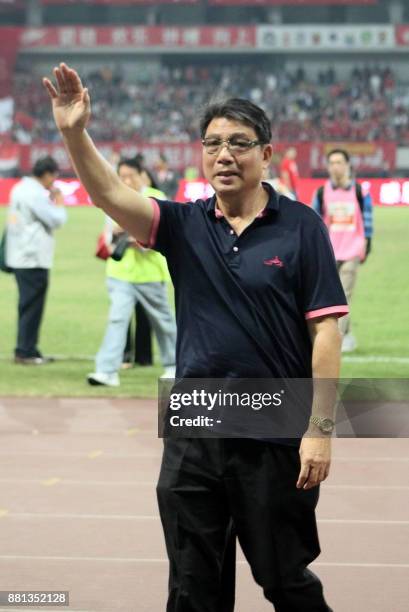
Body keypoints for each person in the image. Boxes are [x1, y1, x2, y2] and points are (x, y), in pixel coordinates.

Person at [44, 63, 348, 611]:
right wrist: (73, 131)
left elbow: (326, 331)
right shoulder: (183, 225)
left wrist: (320, 429)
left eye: (238, 143)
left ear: (267, 154)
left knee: (284, 578)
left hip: (275, 427)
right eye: (212, 144)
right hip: (196, 423)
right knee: (192, 588)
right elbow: (111, 193)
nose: (223, 154)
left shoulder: (302, 227)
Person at [87, 156, 177, 387]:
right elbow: (106, 239)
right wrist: (116, 234)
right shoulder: (114, 198)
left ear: (142, 175)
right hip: (120, 273)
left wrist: (140, 239)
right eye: (122, 176)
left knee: (163, 322)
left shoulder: (156, 198)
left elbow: (166, 238)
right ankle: (106, 370)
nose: (126, 180)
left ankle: (175, 366)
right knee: (117, 319)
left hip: (149, 273)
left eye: (130, 176)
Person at [6, 156, 67, 365]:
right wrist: (59, 202)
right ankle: (26, 351)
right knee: (32, 307)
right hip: (32, 258)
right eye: (54, 177)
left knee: (27, 305)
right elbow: (56, 219)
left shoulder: (20, 188)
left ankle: (27, 348)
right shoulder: (34, 193)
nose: (53, 182)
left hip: (19, 255)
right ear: (48, 174)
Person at [312, 149, 373, 353]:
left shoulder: (359, 192)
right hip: (329, 252)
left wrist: (366, 242)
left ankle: (335, 339)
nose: (335, 166)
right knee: (331, 297)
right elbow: (315, 222)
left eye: (339, 162)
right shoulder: (321, 193)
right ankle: (347, 335)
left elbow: (367, 220)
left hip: (352, 251)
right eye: (332, 162)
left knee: (344, 295)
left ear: (348, 165)